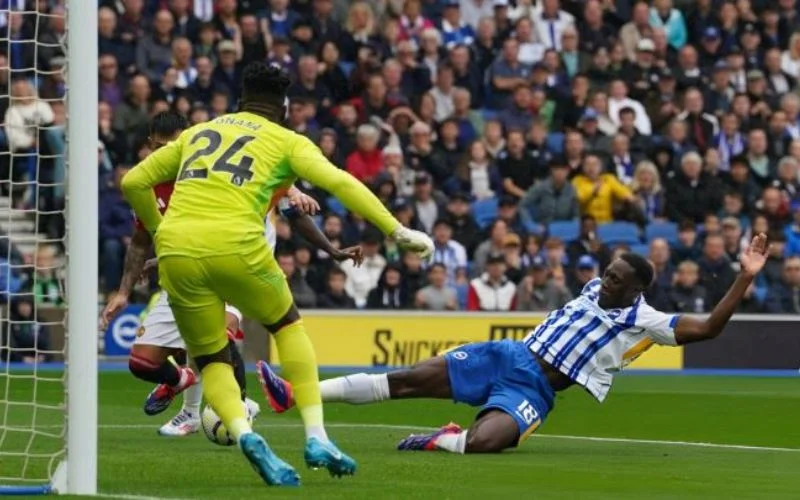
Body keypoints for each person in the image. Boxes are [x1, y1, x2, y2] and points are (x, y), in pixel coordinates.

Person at [121, 62, 433, 485]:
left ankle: (244, 433)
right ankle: (316, 436)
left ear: (240, 101)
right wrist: (397, 230)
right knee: (288, 328)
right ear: (282, 108)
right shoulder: (286, 140)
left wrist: (162, 232)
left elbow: (134, 182)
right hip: (238, 248)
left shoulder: (197, 132)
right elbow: (342, 183)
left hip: (177, 253)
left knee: (211, 358)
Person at [257, 234, 770, 454]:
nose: (604, 281)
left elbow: (707, 330)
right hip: (508, 354)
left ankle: (442, 440)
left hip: (535, 388)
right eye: (606, 273)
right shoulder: (593, 286)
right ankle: (296, 394)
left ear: (637, 288)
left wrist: (743, 278)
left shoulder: (645, 319)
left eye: (616, 278)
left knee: (485, 443)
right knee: (409, 379)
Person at [101, 112, 362, 437]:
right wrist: (127, 288)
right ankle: (184, 385)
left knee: (217, 335)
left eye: (175, 146)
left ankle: (236, 404)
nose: (168, 154)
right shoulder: (152, 185)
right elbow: (145, 239)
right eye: (159, 148)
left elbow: (291, 209)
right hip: (187, 272)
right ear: (149, 147)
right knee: (143, 364)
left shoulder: (224, 172)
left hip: (240, 268)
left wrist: (324, 237)